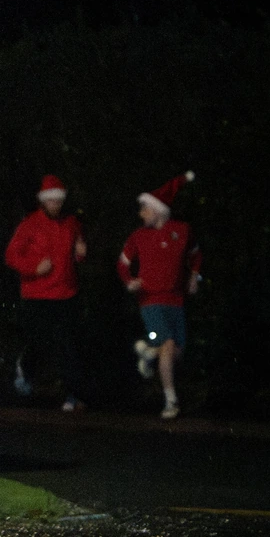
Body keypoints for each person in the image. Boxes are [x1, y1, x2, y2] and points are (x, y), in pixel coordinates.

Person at [116, 172, 202, 420]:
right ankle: (170, 401)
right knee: (168, 344)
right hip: (150, 300)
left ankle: (149, 353)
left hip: (176, 299)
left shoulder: (182, 231)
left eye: (145, 208)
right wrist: (130, 282)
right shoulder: (138, 236)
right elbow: (122, 264)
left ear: (158, 210)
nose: (141, 213)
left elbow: (196, 255)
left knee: (177, 352)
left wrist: (194, 276)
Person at [3, 175, 87, 411]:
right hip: (37, 295)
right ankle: (25, 370)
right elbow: (11, 256)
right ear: (43, 201)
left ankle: (73, 394)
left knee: (67, 345)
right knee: (38, 343)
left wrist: (80, 253)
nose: (55, 205)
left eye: (58, 201)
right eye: (51, 201)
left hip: (66, 293)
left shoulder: (71, 223)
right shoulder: (30, 224)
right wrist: (34, 267)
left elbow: (77, 251)